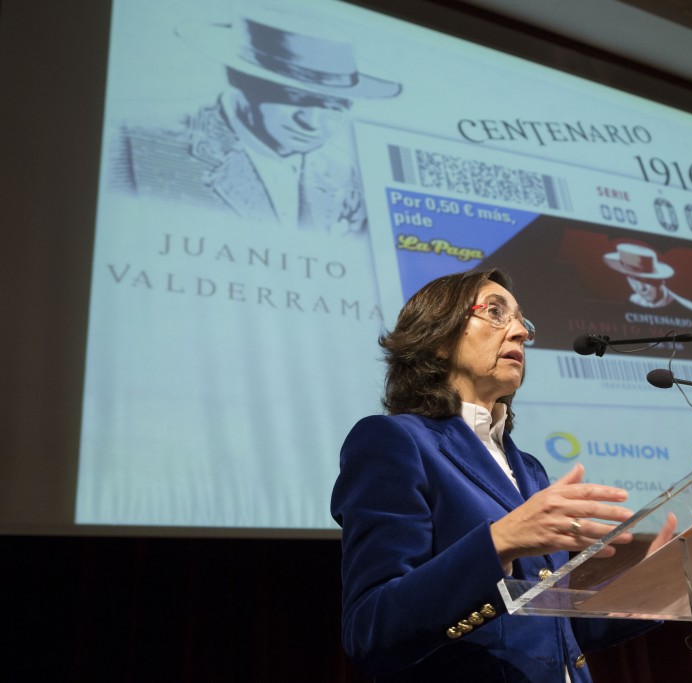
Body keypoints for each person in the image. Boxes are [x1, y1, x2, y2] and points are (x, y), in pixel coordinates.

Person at [330, 268, 663, 682]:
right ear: (437, 340)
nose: (521, 332)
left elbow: (557, 627)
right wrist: (499, 542)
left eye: (522, 320)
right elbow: (371, 629)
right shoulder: (393, 442)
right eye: (495, 312)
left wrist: (655, 586)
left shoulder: (530, 468)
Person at [110, 10, 401, 234]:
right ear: (240, 82)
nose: (312, 122)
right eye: (293, 98)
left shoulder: (341, 174)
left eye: (334, 106)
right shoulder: (138, 141)